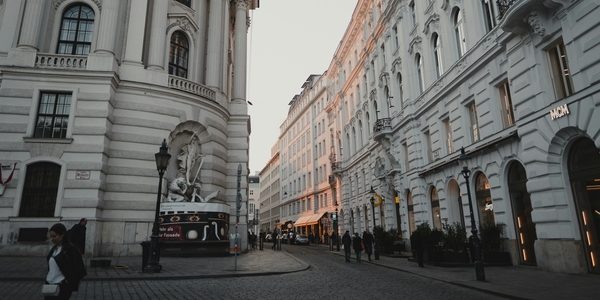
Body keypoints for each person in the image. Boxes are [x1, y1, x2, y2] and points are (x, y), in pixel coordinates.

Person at [46, 223, 87, 300]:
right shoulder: (54, 249)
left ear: (62, 234)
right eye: (51, 236)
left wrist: (68, 282)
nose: (52, 239)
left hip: (62, 286)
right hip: (50, 284)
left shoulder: (71, 249)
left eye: (54, 236)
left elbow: (80, 268)